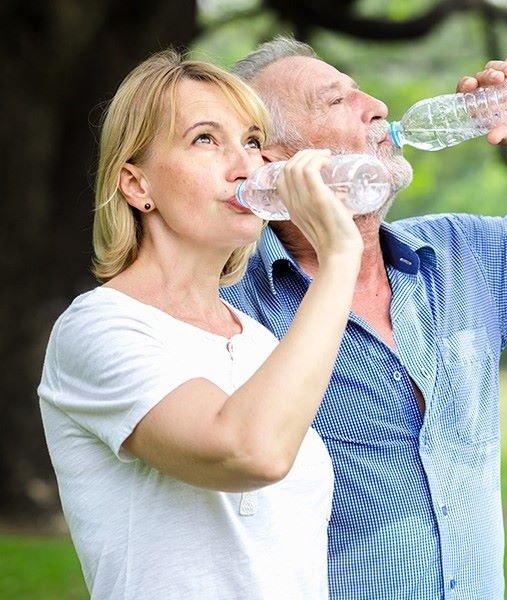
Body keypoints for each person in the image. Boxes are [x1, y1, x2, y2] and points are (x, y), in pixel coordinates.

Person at [223, 38, 507, 599]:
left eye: (362, 90)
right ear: (273, 161)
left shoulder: (459, 255)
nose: (376, 105)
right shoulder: (236, 310)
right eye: (336, 102)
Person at [37, 49, 364, 599]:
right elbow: (249, 451)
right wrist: (337, 258)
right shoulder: (96, 330)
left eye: (253, 141)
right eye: (205, 140)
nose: (245, 166)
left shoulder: (259, 341)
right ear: (136, 186)